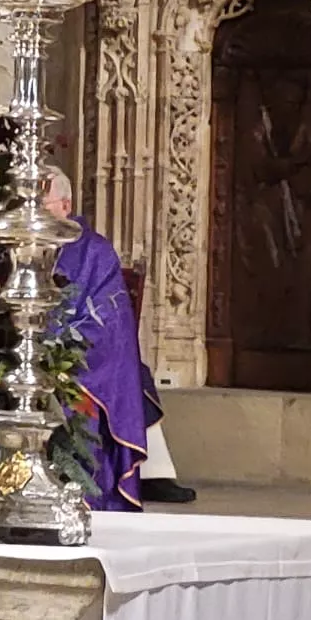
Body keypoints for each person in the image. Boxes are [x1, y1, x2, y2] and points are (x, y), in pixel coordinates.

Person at [45, 170, 194, 508]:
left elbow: (109, 324)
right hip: (27, 359)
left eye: (43, 204)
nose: (34, 213)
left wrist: (56, 353)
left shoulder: (95, 253)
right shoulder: (23, 247)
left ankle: (80, 494)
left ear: (66, 206)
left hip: (80, 367)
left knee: (92, 395)